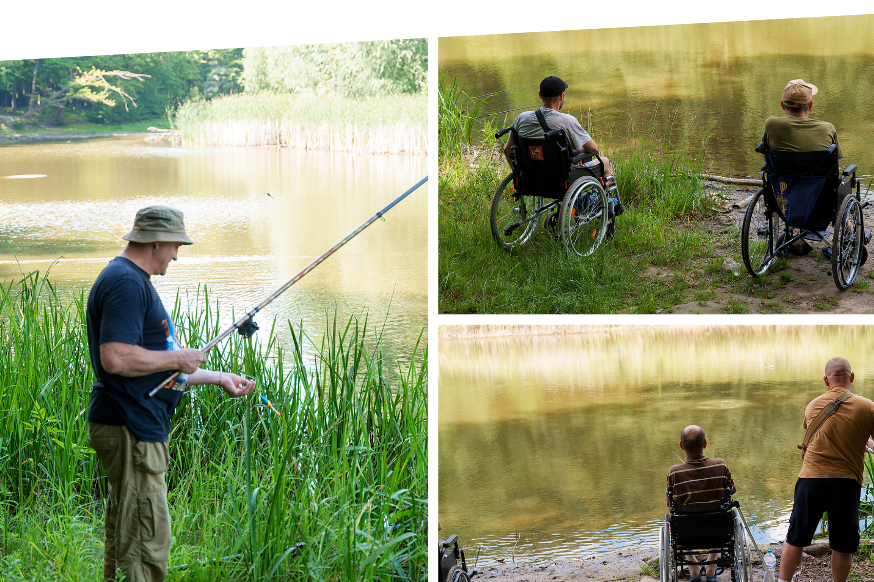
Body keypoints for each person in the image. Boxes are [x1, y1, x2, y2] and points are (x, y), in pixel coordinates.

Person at [86, 205, 257, 582]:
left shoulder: (128, 279)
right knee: (146, 544)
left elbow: (151, 367)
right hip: (131, 428)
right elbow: (115, 357)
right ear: (156, 241)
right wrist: (178, 356)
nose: (177, 255)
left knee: (129, 534)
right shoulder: (127, 283)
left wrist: (218, 377)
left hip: (130, 424)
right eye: (176, 246)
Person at [777, 357, 874, 582]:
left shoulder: (812, 405)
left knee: (795, 538)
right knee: (842, 544)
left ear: (825, 380)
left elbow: (823, 433)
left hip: (810, 480)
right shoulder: (867, 407)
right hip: (846, 482)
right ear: (851, 377)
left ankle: (783, 581)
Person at [666, 425, 736, 582]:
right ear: (705, 443)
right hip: (718, 531)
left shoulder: (674, 472)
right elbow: (731, 491)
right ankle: (711, 569)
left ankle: (693, 567)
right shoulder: (720, 465)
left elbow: (669, 504)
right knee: (722, 514)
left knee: (678, 518)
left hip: (687, 533)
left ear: (681, 445)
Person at [761, 79, 842, 157]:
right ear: (810, 106)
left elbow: (766, 157)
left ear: (782, 105)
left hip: (780, 171)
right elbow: (835, 159)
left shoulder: (771, 124)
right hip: (820, 171)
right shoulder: (827, 128)